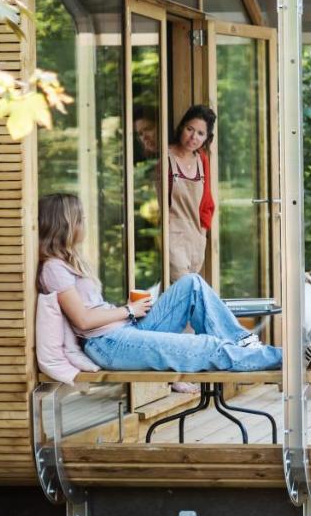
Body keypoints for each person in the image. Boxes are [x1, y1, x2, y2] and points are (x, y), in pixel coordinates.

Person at [36, 193, 280, 373]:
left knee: (192, 284)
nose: (85, 224)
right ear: (66, 225)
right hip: (108, 345)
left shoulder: (68, 262)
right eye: (81, 219)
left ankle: (241, 342)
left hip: (125, 331)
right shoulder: (53, 268)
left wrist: (127, 312)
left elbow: (91, 310)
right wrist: (129, 310)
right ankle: (285, 357)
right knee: (207, 344)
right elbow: (83, 320)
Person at [167, 105, 217, 280]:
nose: (193, 137)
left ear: (206, 138)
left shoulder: (202, 160)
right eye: (190, 129)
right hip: (172, 237)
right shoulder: (166, 157)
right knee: (184, 290)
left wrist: (202, 235)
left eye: (200, 133)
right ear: (182, 127)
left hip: (196, 240)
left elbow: (208, 203)